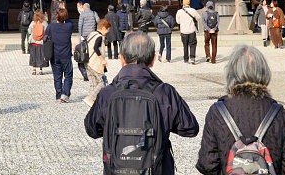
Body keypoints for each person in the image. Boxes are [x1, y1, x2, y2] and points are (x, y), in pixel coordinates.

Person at [83, 31, 199, 175]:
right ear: (152, 60)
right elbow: (190, 128)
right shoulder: (164, 92)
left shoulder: (108, 93)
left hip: (117, 169)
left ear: (122, 59)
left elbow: (92, 129)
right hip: (157, 169)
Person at [195, 44, 285, 175]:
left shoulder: (217, 112)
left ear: (231, 73)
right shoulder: (279, 113)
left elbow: (207, 164)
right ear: (264, 72)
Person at [48, 7, 75, 102]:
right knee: (68, 75)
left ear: (56, 16)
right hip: (66, 55)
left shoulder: (52, 26)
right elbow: (70, 21)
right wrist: (64, 16)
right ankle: (65, 94)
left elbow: (46, 36)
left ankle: (58, 94)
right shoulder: (69, 26)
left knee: (57, 76)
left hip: (55, 55)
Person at [84, 18, 109, 106]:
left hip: (87, 62)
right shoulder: (99, 37)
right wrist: (102, 60)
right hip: (94, 63)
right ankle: (90, 98)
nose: (107, 32)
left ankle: (94, 102)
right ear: (103, 28)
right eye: (107, 29)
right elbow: (96, 48)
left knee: (93, 84)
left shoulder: (91, 34)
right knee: (102, 83)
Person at [177, 0, 201, 65]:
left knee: (185, 45)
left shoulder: (179, 11)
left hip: (183, 31)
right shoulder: (193, 10)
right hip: (191, 30)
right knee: (193, 44)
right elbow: (198, 18)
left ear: (183, 3)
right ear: (189, 3)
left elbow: (178, 22)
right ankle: (192, 58)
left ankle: (186, 59)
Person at [29, 10, 48, 75]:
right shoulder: (44, 23)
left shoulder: (32, 23)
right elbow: (47, 31)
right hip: (41, 42)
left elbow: (29, 31)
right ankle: (40, 69)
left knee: (34, 55)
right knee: (41, 55)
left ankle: (34, 69)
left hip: (34, 41)